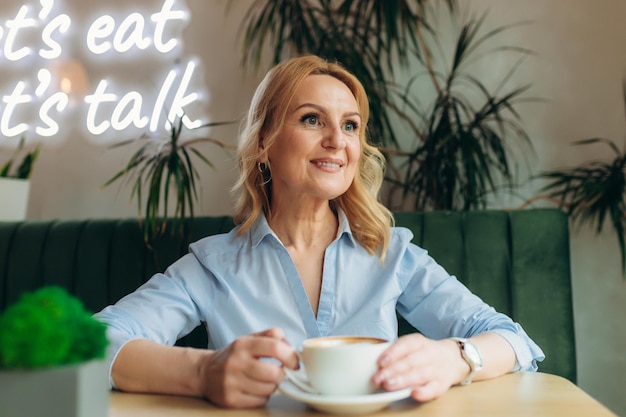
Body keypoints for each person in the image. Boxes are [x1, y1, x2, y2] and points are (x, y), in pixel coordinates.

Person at [94, 54, 544, 409]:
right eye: (312, 119)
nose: (337, 140)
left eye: (350, 125)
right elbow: (93, 345)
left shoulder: (393, 255)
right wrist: (203, 373)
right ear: (264, 143)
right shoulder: (214, 264)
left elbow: (513, 340)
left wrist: (453, 358)